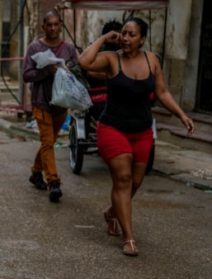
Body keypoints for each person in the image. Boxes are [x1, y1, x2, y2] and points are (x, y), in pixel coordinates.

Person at [79, 17, 194, 256]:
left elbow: (161, 92)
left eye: (132, 34)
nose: (126, 38)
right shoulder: (112, 59)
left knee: (136, 182)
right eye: (123, 33)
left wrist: (181, 115)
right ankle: (128, 237)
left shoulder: (152, 60)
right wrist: (103, 39)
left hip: (141, 131)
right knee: (122, 179)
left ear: (142, 39)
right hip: (112, 129)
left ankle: (111, 212)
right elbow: (84, 61)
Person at [23, 11, 78, 203]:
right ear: (43, 27)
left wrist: (67, 68)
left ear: (60, 25)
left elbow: (77, 69)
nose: (53, 28)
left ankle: (36, 172)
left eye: (56, 24)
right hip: (41, 102)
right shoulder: (34, 47)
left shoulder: (69, 49)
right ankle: (53, 182)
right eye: (49, 25)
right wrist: (47, 70)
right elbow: (26, 75)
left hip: (61, 104)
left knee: (49, 142)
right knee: (48, 142)